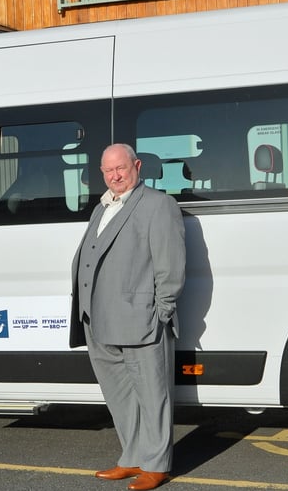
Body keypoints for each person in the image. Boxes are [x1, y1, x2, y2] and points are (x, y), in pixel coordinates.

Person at [70, 143, 186, 491]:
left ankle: (157, 464)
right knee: (120, 398)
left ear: (136, 166)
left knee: (153, 397)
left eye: (120, 168)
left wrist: (160, 312)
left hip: (141, 320)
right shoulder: (102, 206)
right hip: (98, 321)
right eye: (108, 171)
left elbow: (171, 266)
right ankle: (134, 456)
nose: (114, 176)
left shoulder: (158, 205)